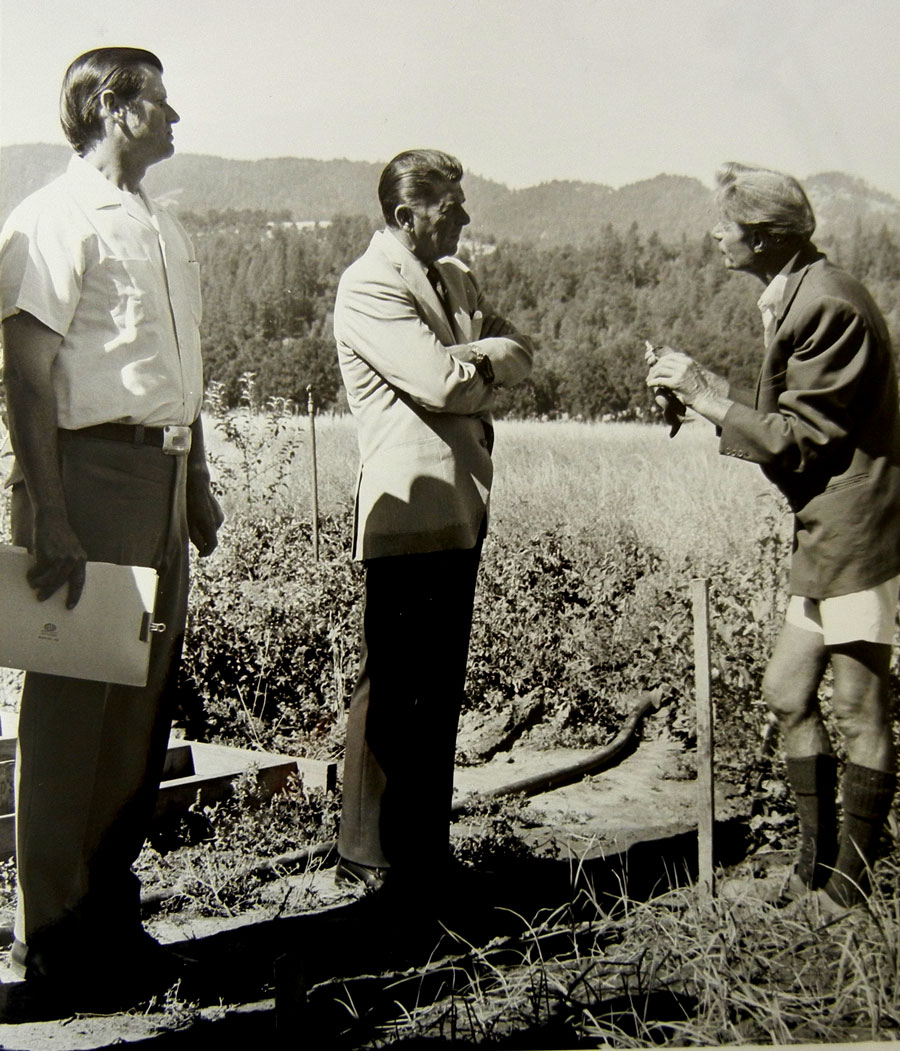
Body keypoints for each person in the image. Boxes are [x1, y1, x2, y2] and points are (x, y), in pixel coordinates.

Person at [0, 47, 223, 1001]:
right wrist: (48, 508)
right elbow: (26, 370)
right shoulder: (51, 219)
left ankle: (106, 912)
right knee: (71, 711)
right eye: (162, 103)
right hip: (88, 478)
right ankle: (48, 935)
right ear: (115, 108)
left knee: (139, 705)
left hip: (161, 478)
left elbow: (176, 371)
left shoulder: (161, 226)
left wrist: (199, 478)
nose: (176, 118)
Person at [646, 162, 900, 916]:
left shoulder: (827, 305)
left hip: (858, 535)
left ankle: (848, 889)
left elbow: (803, 440)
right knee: (787, 691)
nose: (713, 234)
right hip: (826, 532)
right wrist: (701, 401)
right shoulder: (797, 293)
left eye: (723, 223)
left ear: (759, 235)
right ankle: (812, 866)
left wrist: (707, 397)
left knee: (858, 708)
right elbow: (794, 424)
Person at [333, 149, 533, 898]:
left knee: (438, 683)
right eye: (451, 209)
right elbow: (443, 383)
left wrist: (476, 359)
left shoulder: (454, 278)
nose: (465, 219)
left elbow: (515, 353)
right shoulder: (370, 283)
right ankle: (369, 852)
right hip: (409, 507)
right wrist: (482, 364)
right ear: (403, 216)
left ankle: (422, 849)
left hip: (457, 504)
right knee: (394, 684)